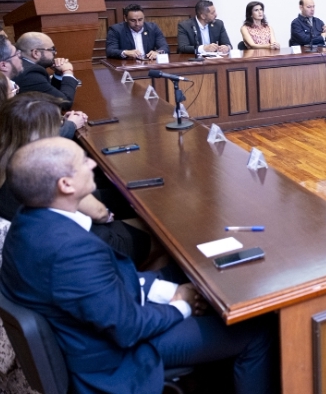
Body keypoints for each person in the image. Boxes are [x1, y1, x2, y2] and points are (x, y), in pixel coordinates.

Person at [0, 137, 276, 394]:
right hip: (114, 356)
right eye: (83, 161)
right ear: (66, 185)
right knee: (256, 330)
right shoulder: (71, 250)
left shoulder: (26, 222)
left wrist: (164, 289)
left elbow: (98, 286)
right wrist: (182, 304)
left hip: (92, 324)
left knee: (185, 270)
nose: (92, 163)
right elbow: (128, 327)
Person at [0, 95, 149, 265]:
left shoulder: (10, 159)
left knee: (122, 198)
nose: (61, 128)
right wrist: (107, 215)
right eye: (58, 124)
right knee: (155, 233)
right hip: (80, 246)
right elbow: (99, 213)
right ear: (44, 134)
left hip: (36, 242)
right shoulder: (41, 170)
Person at [13, 32, 79, 109]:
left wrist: (58, 73)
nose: (55, 52)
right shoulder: (30, 74)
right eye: (52, 49)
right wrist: (68, 71)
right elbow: (64, 103)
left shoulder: (23, 65)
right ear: (36, 53)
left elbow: (50, 92)